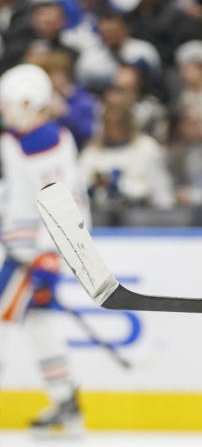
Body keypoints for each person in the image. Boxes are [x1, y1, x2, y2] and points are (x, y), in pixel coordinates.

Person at [0, 64, 88, 436]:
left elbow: (65, 203)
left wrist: (50, 257)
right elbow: (17, 197)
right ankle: (66, 401)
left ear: (28, 102)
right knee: (38, 323)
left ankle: (66, 402)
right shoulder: (15, 140)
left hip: (36, 254)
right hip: (25, 252)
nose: (4, 110)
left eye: (8, 103)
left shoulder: (51, 141)